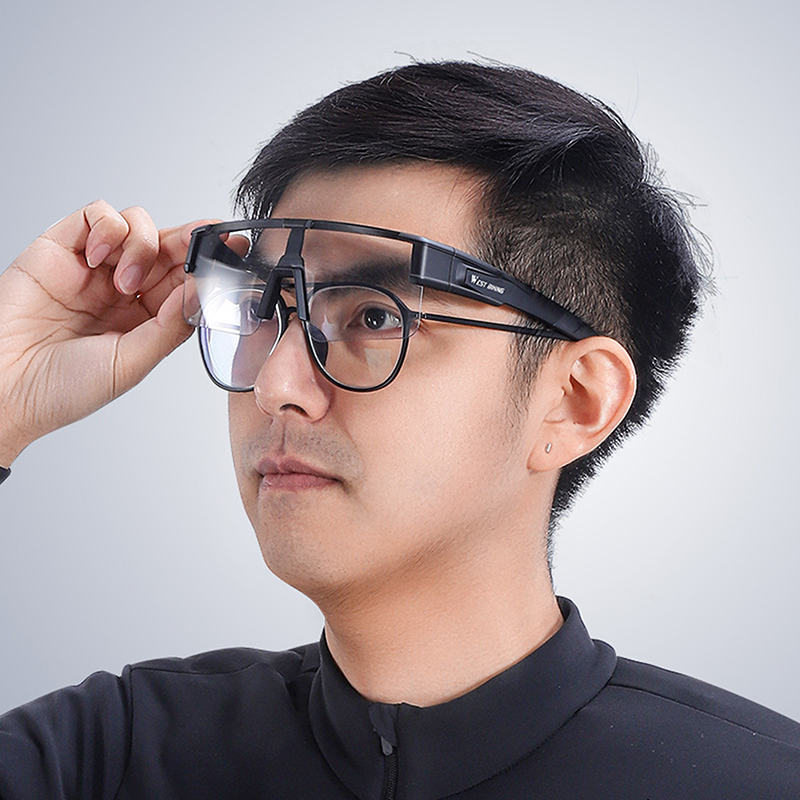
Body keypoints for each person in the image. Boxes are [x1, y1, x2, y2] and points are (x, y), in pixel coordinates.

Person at [0, 61, 797, 799]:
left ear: (575, 401)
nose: (277, 385)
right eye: (264, 310)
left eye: (375, 317)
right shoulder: (108, 756)